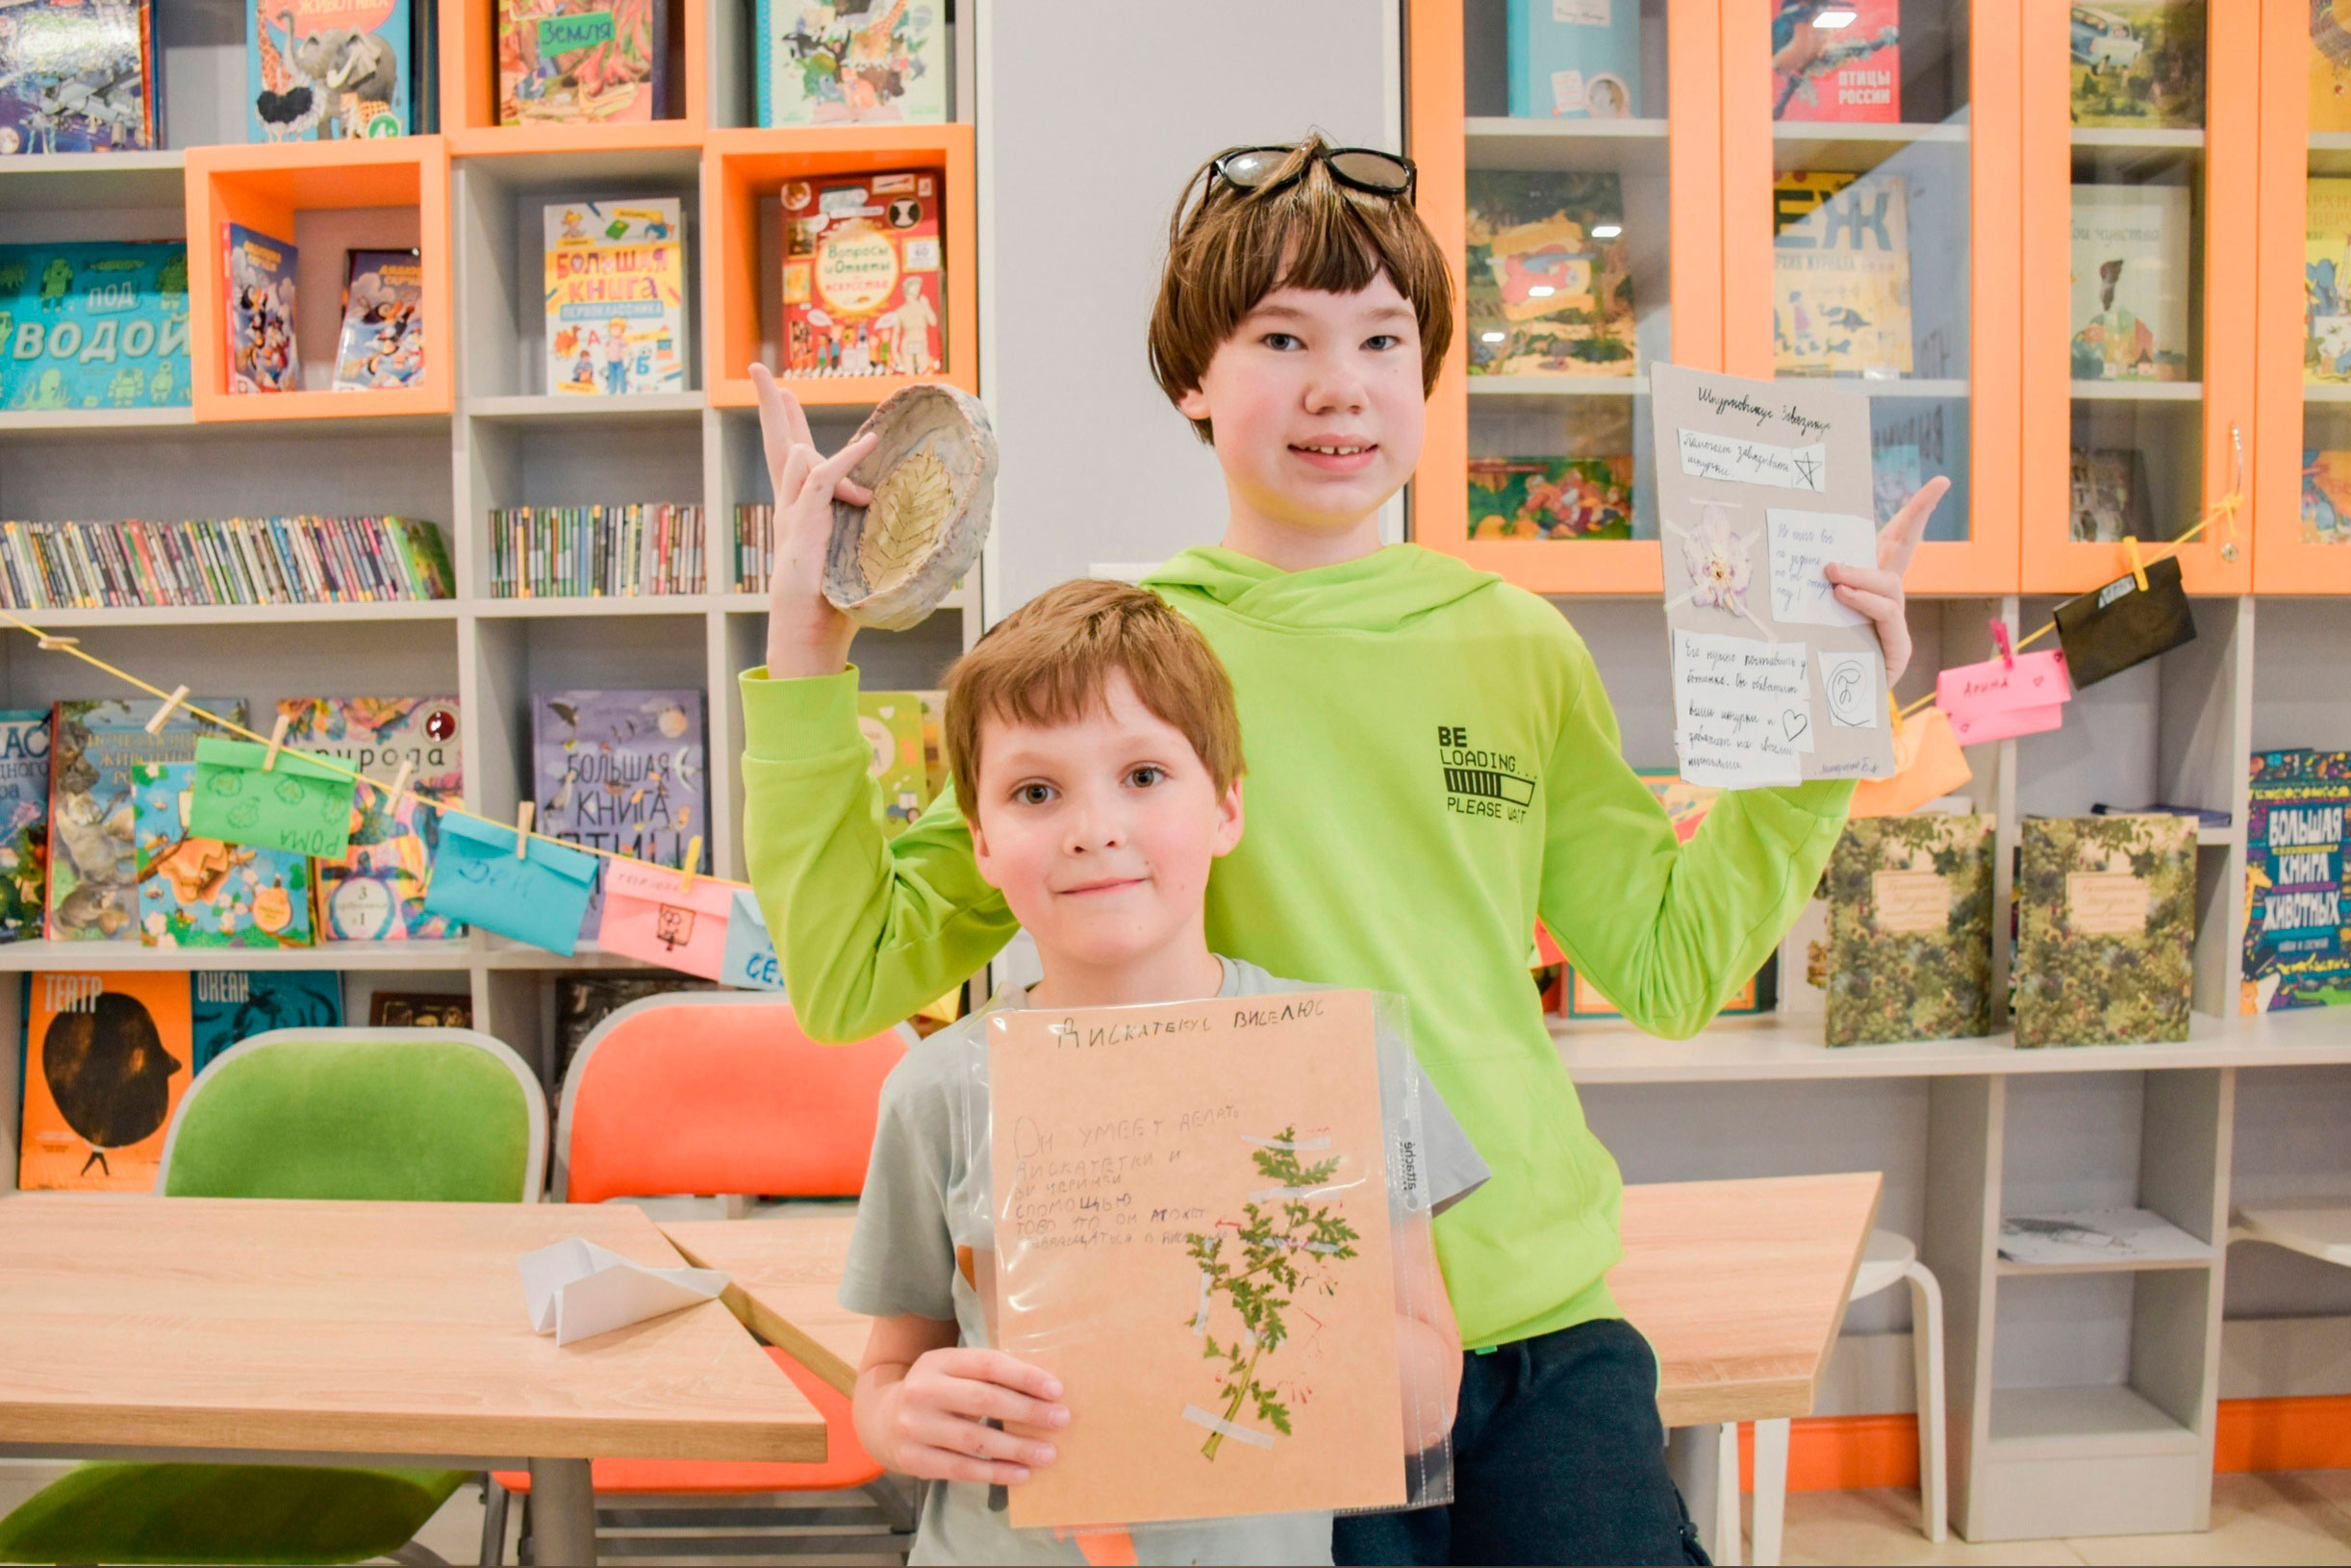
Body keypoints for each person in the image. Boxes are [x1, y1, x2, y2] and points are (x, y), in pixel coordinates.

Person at [744, 133, 1946, 1564]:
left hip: (1539, 1322)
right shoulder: (1131, 673)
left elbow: (1673, 966)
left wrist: (1818, 736)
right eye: (1282, 337)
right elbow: (853, 971)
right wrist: (806, 654)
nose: (1340, 383)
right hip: (1268, 1340)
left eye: (1382, 338)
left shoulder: (1518, 644)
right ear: (1191, 380)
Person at [841, 578, 1487, 1565]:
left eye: (1143, 775)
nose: (1092, 828)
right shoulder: (937, 1090)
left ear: (1225, 807)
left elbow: (1426, 1400)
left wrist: (1281, 1276)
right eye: (1035, 792)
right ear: (981, 842)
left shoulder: (1340, 1057)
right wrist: (899, 1418)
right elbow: (889, 1369)